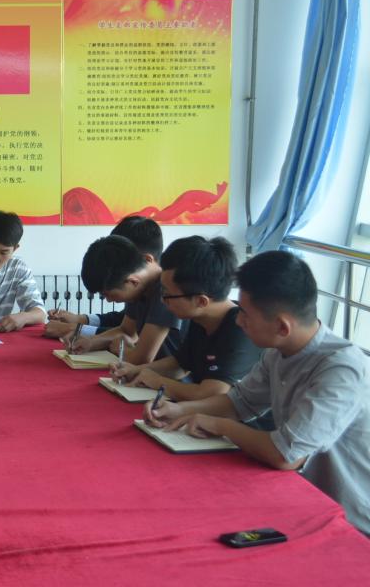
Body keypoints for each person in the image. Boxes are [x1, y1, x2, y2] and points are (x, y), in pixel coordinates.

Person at [146, 251, 370, 535]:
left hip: (349, 519)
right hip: (299, 497)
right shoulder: (278, 351)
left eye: (245, 314)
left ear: (282, 326)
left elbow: (286, 455)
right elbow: (238, 402)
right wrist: (178, 410)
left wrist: (220, 426)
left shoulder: (342, 369)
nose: (238, 321)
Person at [111, 236, 261, 401]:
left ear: (201, 301)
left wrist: (157, 381)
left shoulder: (240, 328)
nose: (162, 301)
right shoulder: (201, 318)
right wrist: (137, 371)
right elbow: (179, 365)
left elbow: (212, 394)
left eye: (167, 295)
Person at [74, 216, 184, 365]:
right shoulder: (139, 288)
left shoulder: (166, 290)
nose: (108, 300)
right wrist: (92, 342)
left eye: (108, 294)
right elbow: (126, 330)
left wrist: (122, 350)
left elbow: (142, 358)